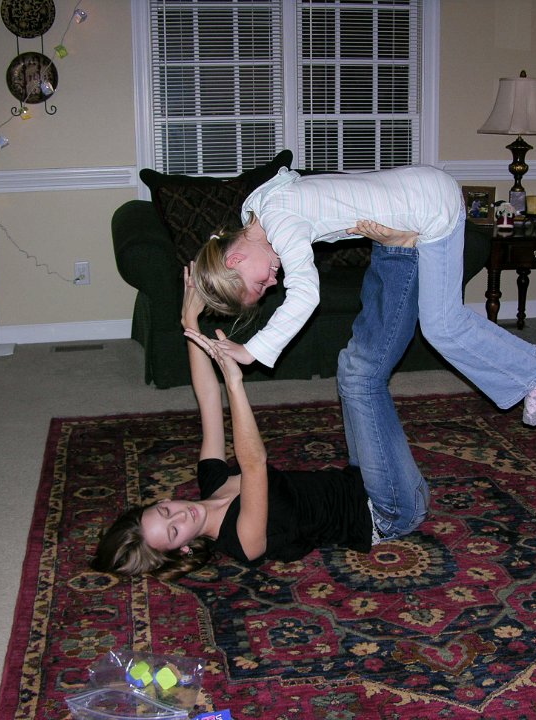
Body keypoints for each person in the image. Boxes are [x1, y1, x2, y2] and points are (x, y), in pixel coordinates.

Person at [92, 237, 429, 579]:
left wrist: (189, 322)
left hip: (361, 478)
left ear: (162, 501)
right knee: (360, 379)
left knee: (349, 370)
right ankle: (400, 252)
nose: (181, 515)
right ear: (183, 549)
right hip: (388, 510)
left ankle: (390, 248)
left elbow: (208, 401)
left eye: (165, 511)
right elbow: (254, 464)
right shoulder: (240, 541)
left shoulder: (212, 483)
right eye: (174, 531)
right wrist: (235, 383)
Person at [191, 165, 536, 426]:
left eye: (258, 285)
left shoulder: (279, 223)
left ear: (235, 259)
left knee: (442, 326)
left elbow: (304, 294)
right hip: (424, 188)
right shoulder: (259, 207)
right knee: (443, 322)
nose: (271, 283)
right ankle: (531, 359)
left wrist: (252, 350)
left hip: (430, 207)